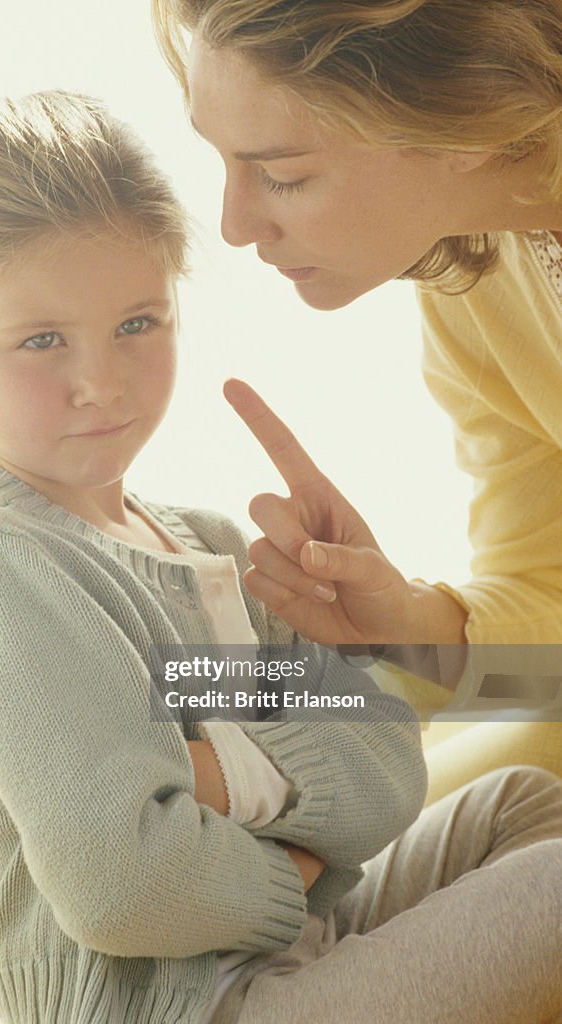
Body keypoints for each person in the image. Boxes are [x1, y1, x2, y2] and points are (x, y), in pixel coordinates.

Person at [0, 89, 562, 1024]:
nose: (100, 382)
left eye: (138, 323)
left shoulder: (206, 542)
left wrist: (206, 771)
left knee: (519, 805)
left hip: (297, 955)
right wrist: (301, 858)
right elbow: (125, 888)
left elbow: (384, 763)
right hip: (194, 1009)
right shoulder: (0, 571)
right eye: (41, 341)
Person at [151, 0, 562, 757]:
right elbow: (547, 642)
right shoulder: (479, 273)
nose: (236, 225)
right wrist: (406, 630)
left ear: (463, 112)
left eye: (281, 174)